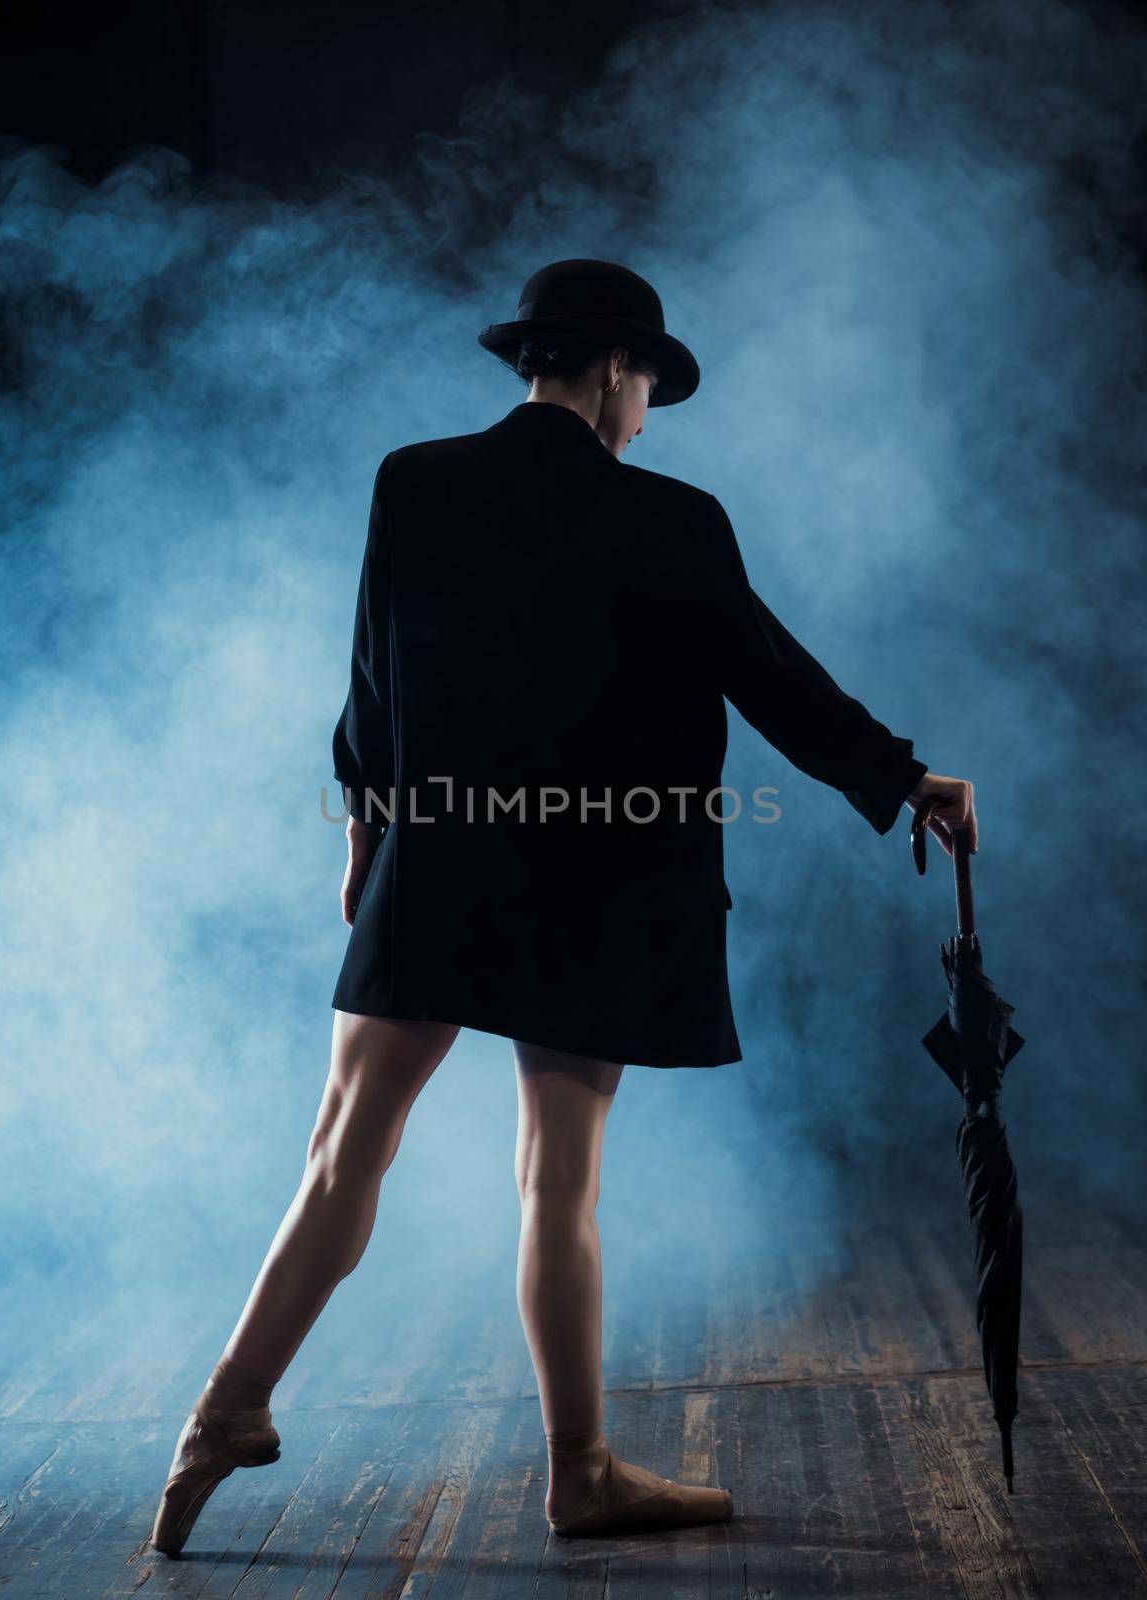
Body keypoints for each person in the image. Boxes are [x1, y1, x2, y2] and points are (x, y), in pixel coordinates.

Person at [151, 259, 977, 1554]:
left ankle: (224, 1413)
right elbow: (774, 682)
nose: (647, 414)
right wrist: (904, 777)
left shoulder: (411, 481)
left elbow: (374, 680)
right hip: (600, 885)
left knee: (340, 1157)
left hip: (440, 860)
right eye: (648, 385)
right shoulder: (675, 518)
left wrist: (368, 830)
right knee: (558, 1185)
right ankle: (581, 1473)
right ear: (610, 369)